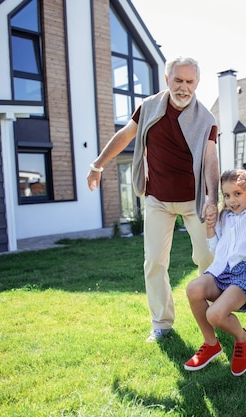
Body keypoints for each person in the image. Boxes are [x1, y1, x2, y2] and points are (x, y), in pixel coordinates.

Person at [86, 57, 220, 342]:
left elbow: (210, 159)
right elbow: (125, 136)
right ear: (167, 79)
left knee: (207, 257)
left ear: (197, 83)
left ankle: (212, 315)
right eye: (178, 80)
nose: (184, 88)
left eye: (190, 82)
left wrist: (213, 198)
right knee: (155, 262)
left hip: (193, 198)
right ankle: (162, 323)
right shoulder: (148, 108)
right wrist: (97, 164)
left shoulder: (206, 119)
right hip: (157, 198)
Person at [184, 169, 246, 377]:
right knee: (193, 288)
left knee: (214, 314)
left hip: (243, 274)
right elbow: (215, 249)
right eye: (226, 195)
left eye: (238, 193)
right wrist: (210, 227)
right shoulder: (226, 216)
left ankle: (242, 339)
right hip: (220, 271)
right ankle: (211, 343)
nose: (232, 200)